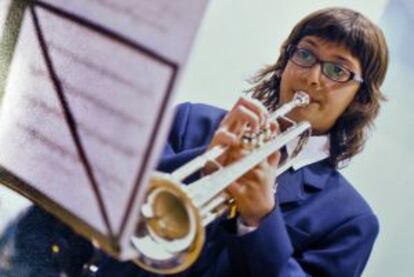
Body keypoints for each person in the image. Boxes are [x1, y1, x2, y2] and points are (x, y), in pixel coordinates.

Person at [0, 7, 388, 277]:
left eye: (338, 69)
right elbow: (106, 190)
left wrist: (260, 221)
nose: (313, 77)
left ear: (361, 97)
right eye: (305, 54)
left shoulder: (350, 220)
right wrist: (207, 160)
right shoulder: (193, 119)